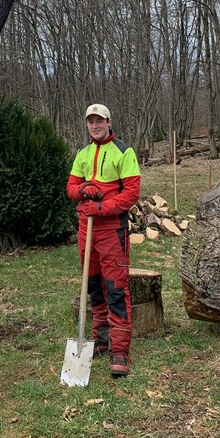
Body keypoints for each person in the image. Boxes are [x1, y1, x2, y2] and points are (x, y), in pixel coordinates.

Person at [66, 104, 141, 377]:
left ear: (109, 122)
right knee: (93, 284)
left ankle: (119, 349)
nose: (95, 126)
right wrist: (84, 189)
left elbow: (131, 193)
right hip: (87, 228)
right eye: (90, 122)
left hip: (112, 229)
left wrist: (102, 208)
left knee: (116, 288)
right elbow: (71, 188)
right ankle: (100, 338)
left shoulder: (124, 152)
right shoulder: (83, 154)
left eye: (99, 121)